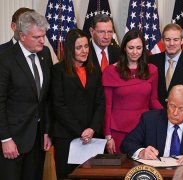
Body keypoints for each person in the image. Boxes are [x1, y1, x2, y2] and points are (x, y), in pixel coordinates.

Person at [0, 11, 52, 180]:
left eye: (43, 36)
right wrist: (5, 138)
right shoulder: (5, 59)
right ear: (22, 36)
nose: (42, 41)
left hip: (38, 139)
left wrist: (46, 130)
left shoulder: (45, 54)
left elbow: (45, 98)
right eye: (37, 37)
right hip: (12, 139)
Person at [51, 29, 105, 179]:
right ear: (70, 49)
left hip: (92, 137)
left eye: (86, 46)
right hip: (67, 137)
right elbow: (58, 105)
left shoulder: (95, 70)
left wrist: (92, 128)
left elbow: (100, 102)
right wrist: (80, 130)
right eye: (79, 47)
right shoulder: (58, 70)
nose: (84, 51)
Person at [121, 85, 183, 165]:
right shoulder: (150, 119)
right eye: (172, 106)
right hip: (157, 174)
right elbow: (127, 143)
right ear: (167, 102)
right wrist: (142, 152)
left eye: (181, 109)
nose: (175, 112)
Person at [102, 29, 162, 154]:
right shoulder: (111, 71)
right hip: (117, 131)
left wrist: (169, 114)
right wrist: (108, 136)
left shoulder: (152, 70)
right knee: (119, 171)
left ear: (143, 49)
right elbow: (107, 106)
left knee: (142, 170)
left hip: (143, 130)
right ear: (124, 48)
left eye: (139, 48)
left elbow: (153, 101)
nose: (135, 52)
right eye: (131, 48)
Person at [149, 23, 183, 111]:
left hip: (181, 118)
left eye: (176, 39)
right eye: (167, 39)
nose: (171, 43)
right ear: (162, 41)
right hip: (155, 117)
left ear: (182, 41)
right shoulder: (151, 61)